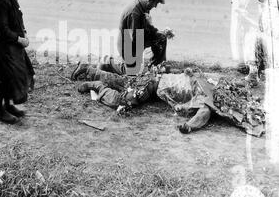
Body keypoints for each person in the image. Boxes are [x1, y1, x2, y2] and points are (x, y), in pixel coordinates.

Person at [71, 63, 265, 137]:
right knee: (123, 99)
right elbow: (203, 115)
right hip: (151, 86)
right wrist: (188, 126)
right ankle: (94, 85)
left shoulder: (208, 81)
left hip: (153, 78)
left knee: (124, 82)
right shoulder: (209, 98)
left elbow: (228, 84)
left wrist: (242, 86)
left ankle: (89, 70)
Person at [115, 0, 173, 76]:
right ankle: (109, 64)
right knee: (132, 73)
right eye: (155, 3)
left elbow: (143, 31)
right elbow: (137, 39)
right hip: (127, 45)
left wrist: (158, 32)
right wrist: (151, 26)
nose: (155, 6)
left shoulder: (144, 6)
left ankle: (156, 66)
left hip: (134, 40)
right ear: (149, 0)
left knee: (161, 38)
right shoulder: (135, 13)